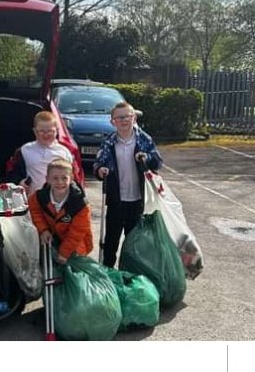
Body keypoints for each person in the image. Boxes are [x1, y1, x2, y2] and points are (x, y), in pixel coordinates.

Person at [94, 100, 163, 268]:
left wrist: (146, 158)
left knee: (133, 244)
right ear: (113, 122)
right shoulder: (109, 142)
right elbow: (98, 164)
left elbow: (158, 162)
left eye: (128, 116)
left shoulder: (144, 140)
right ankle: (108, 274)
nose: (124, 120)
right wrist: (100, 171)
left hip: (137, 200)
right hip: (116, 199)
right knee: (110, 242)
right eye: (120, 118)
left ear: (134, 119)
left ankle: (129, 274)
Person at [27, 156, 93, 264]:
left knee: (74, 269)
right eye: (55, 178)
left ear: (71, 178)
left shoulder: (80, 204)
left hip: (75, 244)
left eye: (64, 178)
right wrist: (43, 230)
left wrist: (64, 253)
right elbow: (34, 211)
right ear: (47, 179)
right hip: (51, 240)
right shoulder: (39, 197)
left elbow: (77, 233)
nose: (60, 182)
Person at [6, 110, 74, 194]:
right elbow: (11, 173)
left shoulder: (64, 152)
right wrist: (19, 182)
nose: (46, 134)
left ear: (57, 131)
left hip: (58, 202)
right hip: (32, 201)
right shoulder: (24, 150)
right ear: (34, 131)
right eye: (41, 131)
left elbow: (73, 179)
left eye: (50, 131)